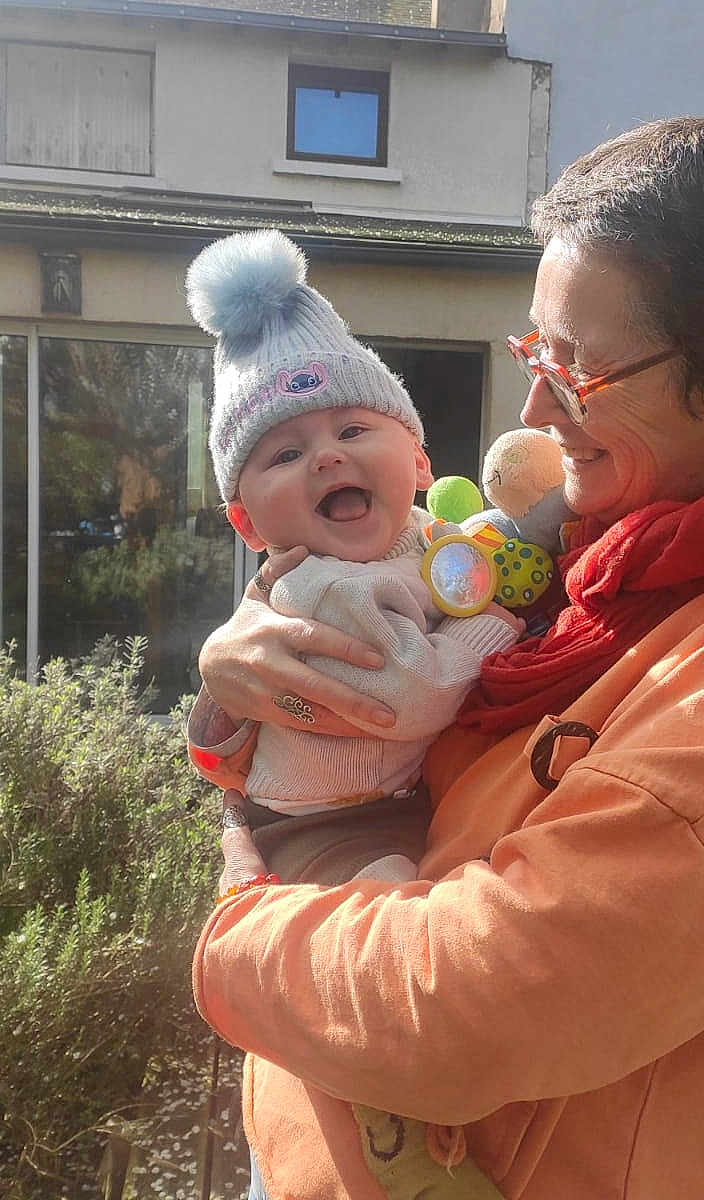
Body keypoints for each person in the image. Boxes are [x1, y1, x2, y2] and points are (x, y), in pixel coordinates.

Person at [191, 118, 704, 1200]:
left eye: (578, 370)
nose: (535, 408)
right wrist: (237, 691)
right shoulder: (594, 554)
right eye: (534, 353)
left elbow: (478, 1001)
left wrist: (233, 939)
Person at [183, 229, 521, 887]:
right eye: (285, 454)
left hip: (403, 800)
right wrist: (494, 622)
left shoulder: (424, 536)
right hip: (324, 825)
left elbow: (475, 553)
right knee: (397, 903)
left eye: (354, 429)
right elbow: (412, 697)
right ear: (247, 523)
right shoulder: (319, 587)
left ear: (420, 462)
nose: (328, 456)